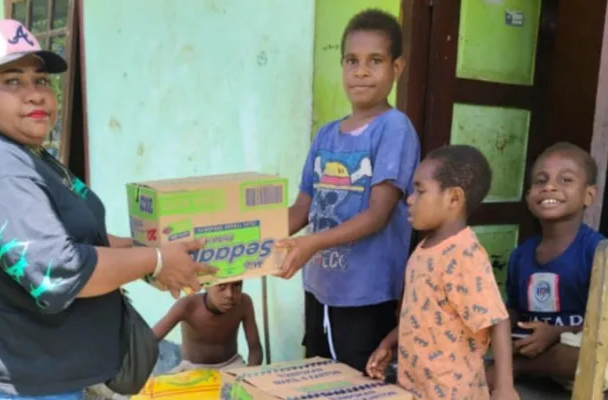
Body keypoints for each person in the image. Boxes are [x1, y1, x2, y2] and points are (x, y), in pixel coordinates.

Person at [0, 20, 215, 400]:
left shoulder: (18, 152)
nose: (35, 95)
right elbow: (57, 272)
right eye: (12, 81)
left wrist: (149, 255)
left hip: (37, 372)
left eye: (40, 81)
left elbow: (72, 235)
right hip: (6, 383)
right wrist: (154, 261)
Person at [276, 9, 419, 371]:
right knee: (316, 375)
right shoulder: (326, 134)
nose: (361, 71)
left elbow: (377, 215)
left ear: (396, 68)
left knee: (358, 381)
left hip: (366, 293)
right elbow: (301, 210)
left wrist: (309, 243)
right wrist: (246, 240)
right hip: (319, 286)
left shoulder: (394, 129)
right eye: (351, 61)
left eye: (375, 61)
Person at [366, 145, 518, 399]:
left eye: (420, 190)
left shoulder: (464, 255)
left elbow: (497, 320)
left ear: (454, 199)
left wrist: (504, 387)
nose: (410, 199)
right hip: (417, 387)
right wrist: (388, 343)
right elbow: (420, 314)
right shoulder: (424, 249)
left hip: (454, 392)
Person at [492, 142, 607, 390]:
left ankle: (518, 369)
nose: (550, 187)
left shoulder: (598, 251)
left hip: (572, 351)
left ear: (589, 195)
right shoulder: (521, 254)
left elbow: (603, 322)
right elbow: (514, 309)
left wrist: (555, 332)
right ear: (529, 195)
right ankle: (515, 365)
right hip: (531, 345)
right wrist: (496, 329)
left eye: (565, 180)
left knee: (589, 355)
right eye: (541, 181)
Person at [152, 281, 262, 372]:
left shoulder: (244, 303)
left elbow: (255, 350)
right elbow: (149, 340)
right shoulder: (187, 306)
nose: (230, 294)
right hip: (192, 368)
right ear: (206, 286)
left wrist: (248, 376)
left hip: (232, 365)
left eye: (237, 286)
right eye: (221, 286)